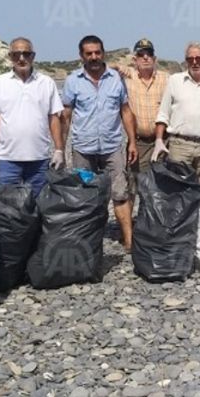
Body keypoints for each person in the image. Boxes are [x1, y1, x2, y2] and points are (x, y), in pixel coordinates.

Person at [61, 35, 138, 251]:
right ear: (81, 56)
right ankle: (84, 239)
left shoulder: (115, 79)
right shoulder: (72, 81)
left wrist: (131, 141)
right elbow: (66, 115)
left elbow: (125, 111)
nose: (94, 57)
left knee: (120, 193)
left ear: (103, 53)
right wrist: (59, 148)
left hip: (112, 147)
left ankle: (129, 240)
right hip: (83, 149)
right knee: (84, 195)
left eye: (97, 52)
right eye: (89, 53)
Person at [0, 37, 65, 198]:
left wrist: (59, 149)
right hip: (7, 159)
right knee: (7, 206)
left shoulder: (46, 83)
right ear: (10, 57)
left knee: (39, 204)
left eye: (26, 54)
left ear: (33, 56)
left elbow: (54, 118)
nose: (21, 58)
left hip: (39, 159)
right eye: (16, 55)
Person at [152, 41, 200, 186]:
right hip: (180, 145)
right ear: (186, 61)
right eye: (190, 59)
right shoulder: (174, 80)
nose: (195, 62)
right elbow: (163, 113)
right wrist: (158, 140)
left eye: (199, 59)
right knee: (179, 189)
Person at [119, 38, 169, 174]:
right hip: (139, 142)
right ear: (135, 60)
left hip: (164, 140)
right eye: (141, 55)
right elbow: (107, 66)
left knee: (163, 186)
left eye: (149, 54)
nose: (146, 57)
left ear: (155, 58)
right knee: (134, 183)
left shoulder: (166, 79)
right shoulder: (129, 76)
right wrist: (118, 66)